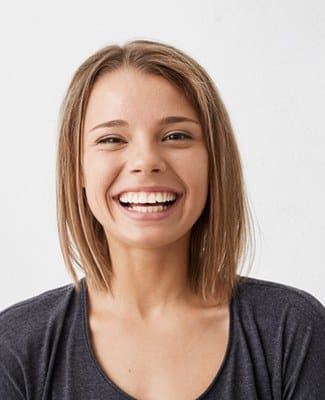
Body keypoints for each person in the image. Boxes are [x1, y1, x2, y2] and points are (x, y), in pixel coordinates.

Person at [0, 40, 324, 400]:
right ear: (78, 168)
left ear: (213, 160)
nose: (146, 160)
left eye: (176, 136)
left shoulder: (291, 331)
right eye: (111, 139)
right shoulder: (16, 347)